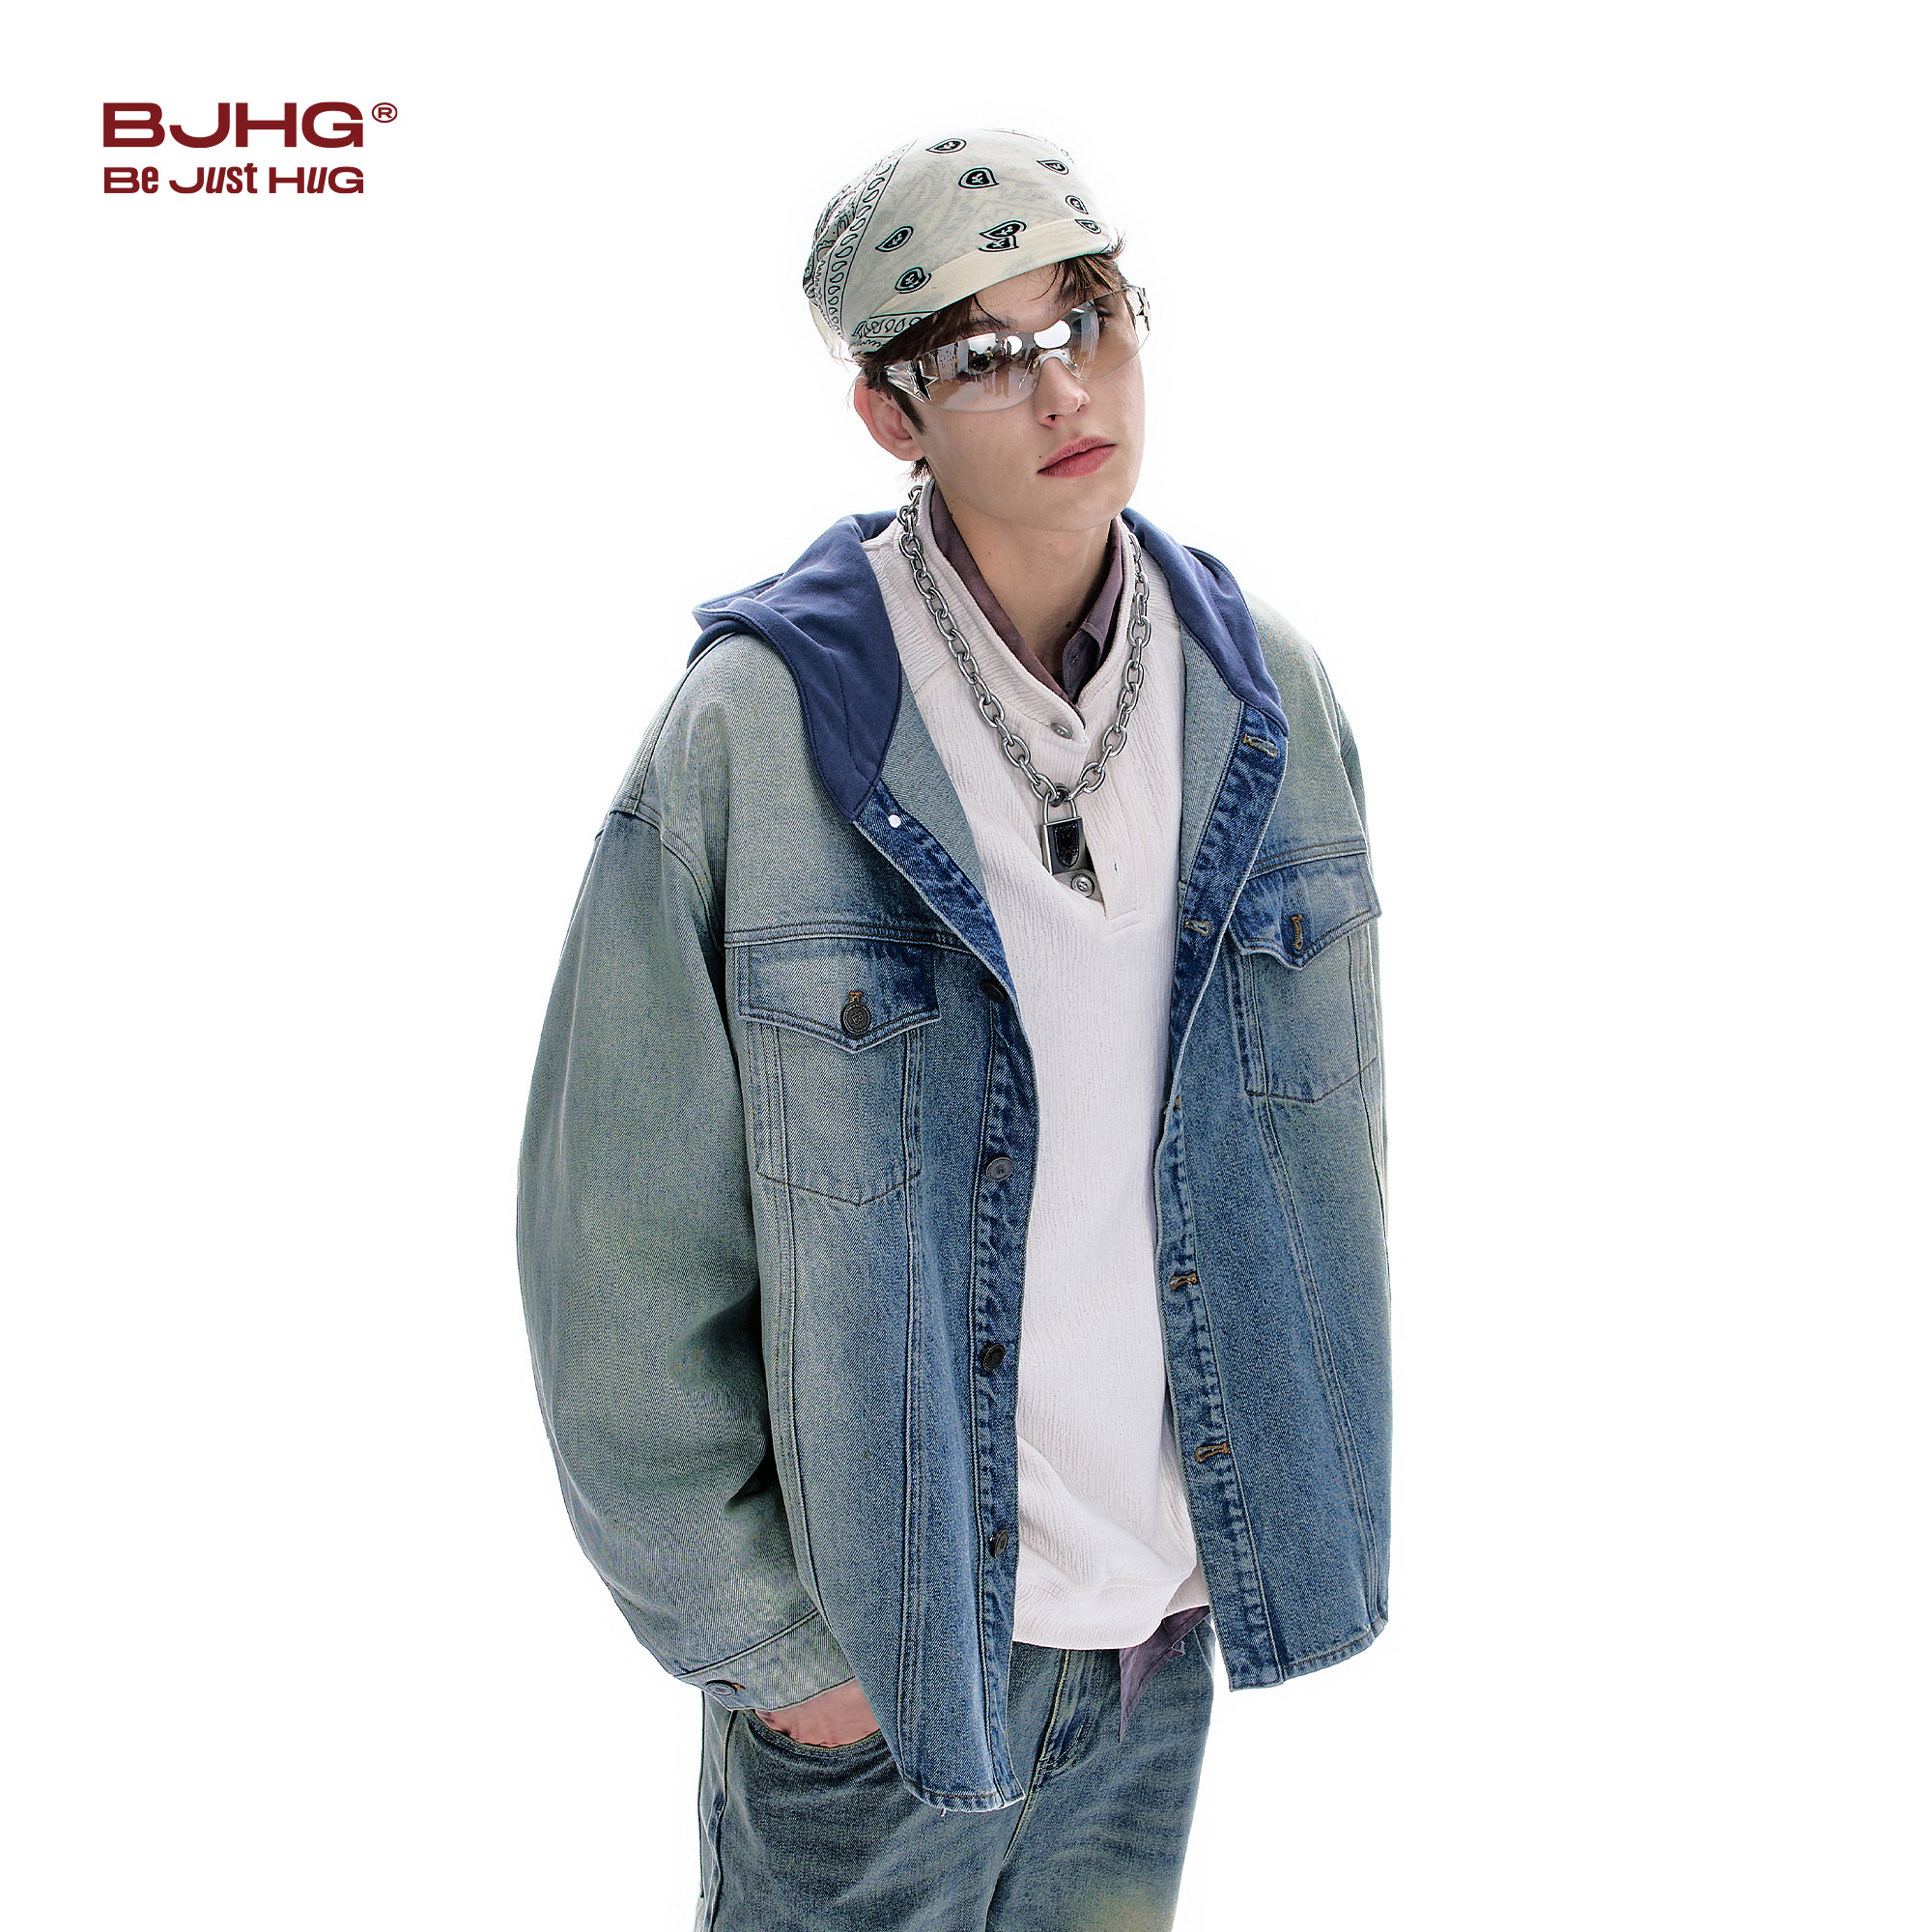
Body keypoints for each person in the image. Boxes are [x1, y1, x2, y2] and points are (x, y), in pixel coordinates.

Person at [516, 128, 1391, 1932]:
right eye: (985, 357)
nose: (1065, 389)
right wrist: (774, 1651)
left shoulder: (1263, 697)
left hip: (1158, 1630)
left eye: (1088, 319)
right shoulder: (763, 732)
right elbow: (614, 1248)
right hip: (889, 1669)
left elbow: (1334, 1148)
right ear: (887, 415)